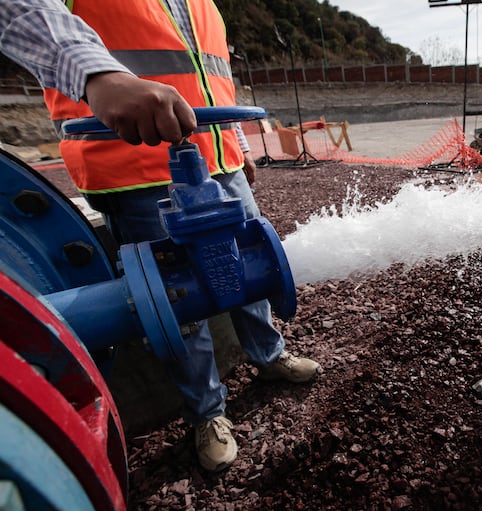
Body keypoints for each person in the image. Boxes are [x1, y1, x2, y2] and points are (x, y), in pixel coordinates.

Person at [0, 0, 321, 472]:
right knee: (176, 301)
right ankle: (208, 413)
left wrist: (241, 145)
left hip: (219, 159)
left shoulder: (203, 5)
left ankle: (269, 354)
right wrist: (98, 76)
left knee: (252, 267)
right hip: (136, 170)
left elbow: (211, 79)